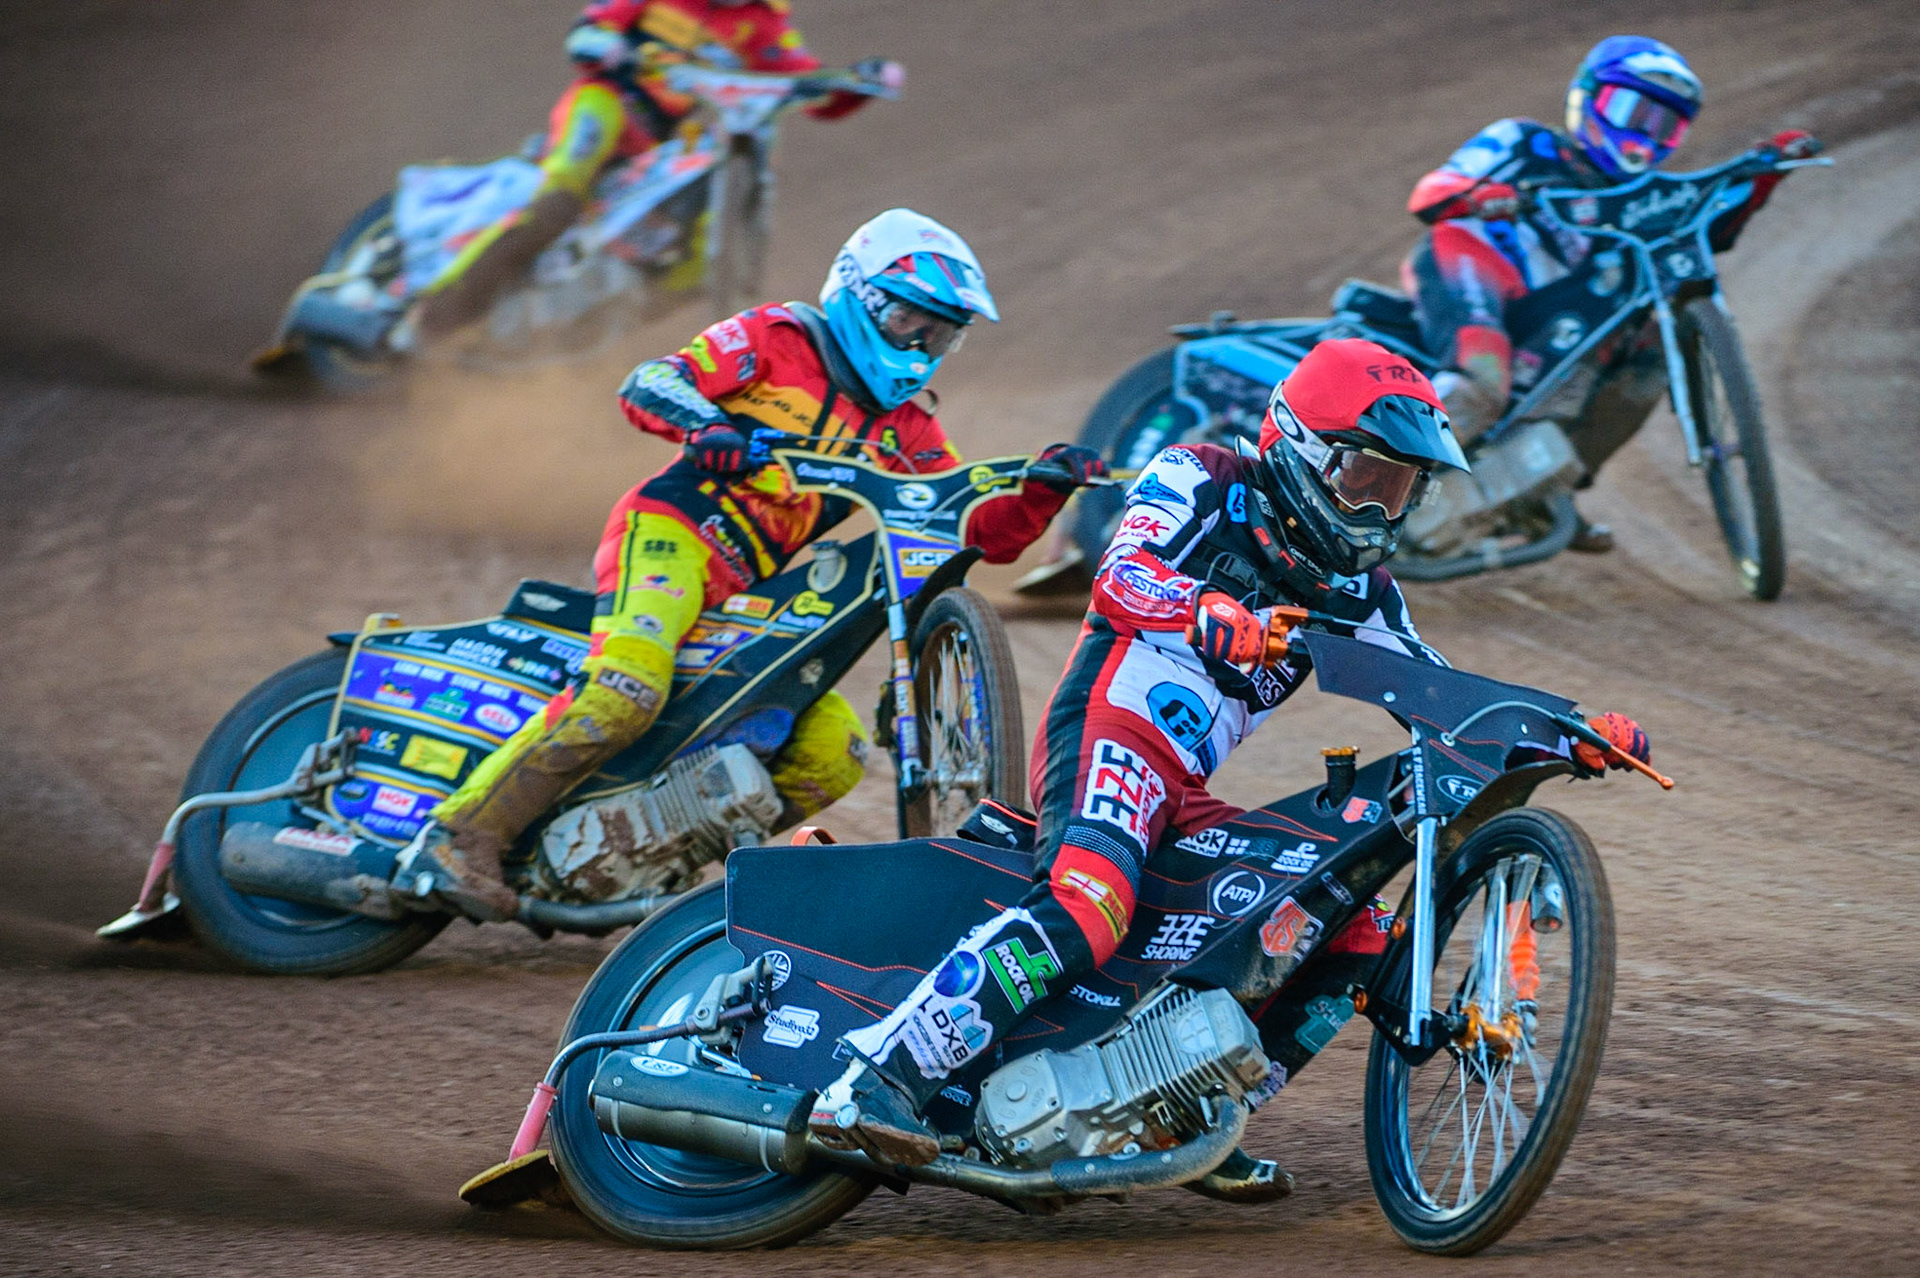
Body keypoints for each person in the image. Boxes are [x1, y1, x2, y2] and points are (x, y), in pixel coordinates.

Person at [806, 338, 1651, 1194]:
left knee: (1349, 927)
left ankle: (1185, 1115)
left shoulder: (1363, 591)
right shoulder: (1203, 477)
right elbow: (1118, 577)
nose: (1379, 506)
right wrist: (1200, 606)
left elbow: (1437, 693)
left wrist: (1565, 727)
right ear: (1303, 448)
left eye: (1400, 487)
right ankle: (875, 1079)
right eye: (1365, 476)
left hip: (1185, 786)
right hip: (1110, 728)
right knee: (1089, 907)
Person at [405, 208, 1107, 920]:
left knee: (832, 750)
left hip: (752, 592)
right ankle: (458, 836)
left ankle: (639, 859)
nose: (922, 347)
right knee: (626, 690)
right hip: (672, 535)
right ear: (860, 297)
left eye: (941, 335)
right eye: (910, 323)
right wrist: (706, 425)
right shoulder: (777, 337)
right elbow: (652, 381)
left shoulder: (908, 429)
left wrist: (1042, 493)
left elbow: (969, 533)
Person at [1401, 34, 1818, 550]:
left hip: (1554, 313)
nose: (1644, 134)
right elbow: (1430, 194)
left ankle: (1542, 493)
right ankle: (1363, 485)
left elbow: (1706, 234)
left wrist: (1764, 177)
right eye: (1632, 112)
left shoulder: (1641, 198)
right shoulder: (1524, 142)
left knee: (1652, 353)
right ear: (1588, 98)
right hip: (1476, 261)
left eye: (1663, 123)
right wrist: (1484, 195)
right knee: (1481, 386)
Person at [402, 0, 900, 347]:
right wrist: (603, 43)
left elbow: (805, 84)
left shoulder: (762, 23)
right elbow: (590, 27)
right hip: (608, 104)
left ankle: (560, 339)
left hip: (662, 146)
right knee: (559, 202)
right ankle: (439, 313)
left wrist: (858, 82)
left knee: (687, 269)